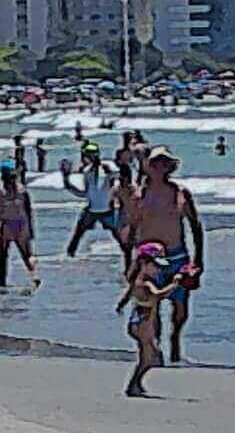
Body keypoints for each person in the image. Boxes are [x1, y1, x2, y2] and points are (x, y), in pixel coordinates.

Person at [124, 148, 206, 364]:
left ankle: (176, 340)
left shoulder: (181, 193)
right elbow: (131, 231)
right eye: (156, 163)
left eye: (164, 163)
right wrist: (129, 263)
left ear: (170, 167)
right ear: (149, 167)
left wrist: (199, 261)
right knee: (152, 305)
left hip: (178, 255)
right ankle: (155, 348)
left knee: (180, 308)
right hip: (149, 259)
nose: (160, 167)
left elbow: (196, 227)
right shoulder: (139, 195)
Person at [117, 241, 182, 398]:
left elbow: (127, 295)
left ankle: (136, 384)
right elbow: (158, 294)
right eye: (155, 265)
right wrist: (174, 284)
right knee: (151, 357)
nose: (157, 269)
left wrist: (120, 306)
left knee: (147, 356)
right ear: (144, 263)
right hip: (142, 323)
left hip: (141, 322)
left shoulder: (136, 281)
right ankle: (134, 384)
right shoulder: (145, 282)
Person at [63, 142, 122, 257]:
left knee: (119, 237)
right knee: (78, 233)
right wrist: (66, 180)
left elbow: (117, 182)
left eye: (92, 154)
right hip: (92, 210)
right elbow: (85, 193)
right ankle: (69, 256)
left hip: (108, 210)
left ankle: (130, 256)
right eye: (88, 154)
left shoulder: (108, 167)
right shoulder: (87, 171)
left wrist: (115, 191)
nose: (90, 157)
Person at [0, 161, 39, 291]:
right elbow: (28, 210)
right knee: (20, 255)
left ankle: (4, 283)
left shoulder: (7, 190)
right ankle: (32, 278)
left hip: (11, 224)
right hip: (14, 224)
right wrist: (30, 228)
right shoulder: (15, 190)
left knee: (8, 256)